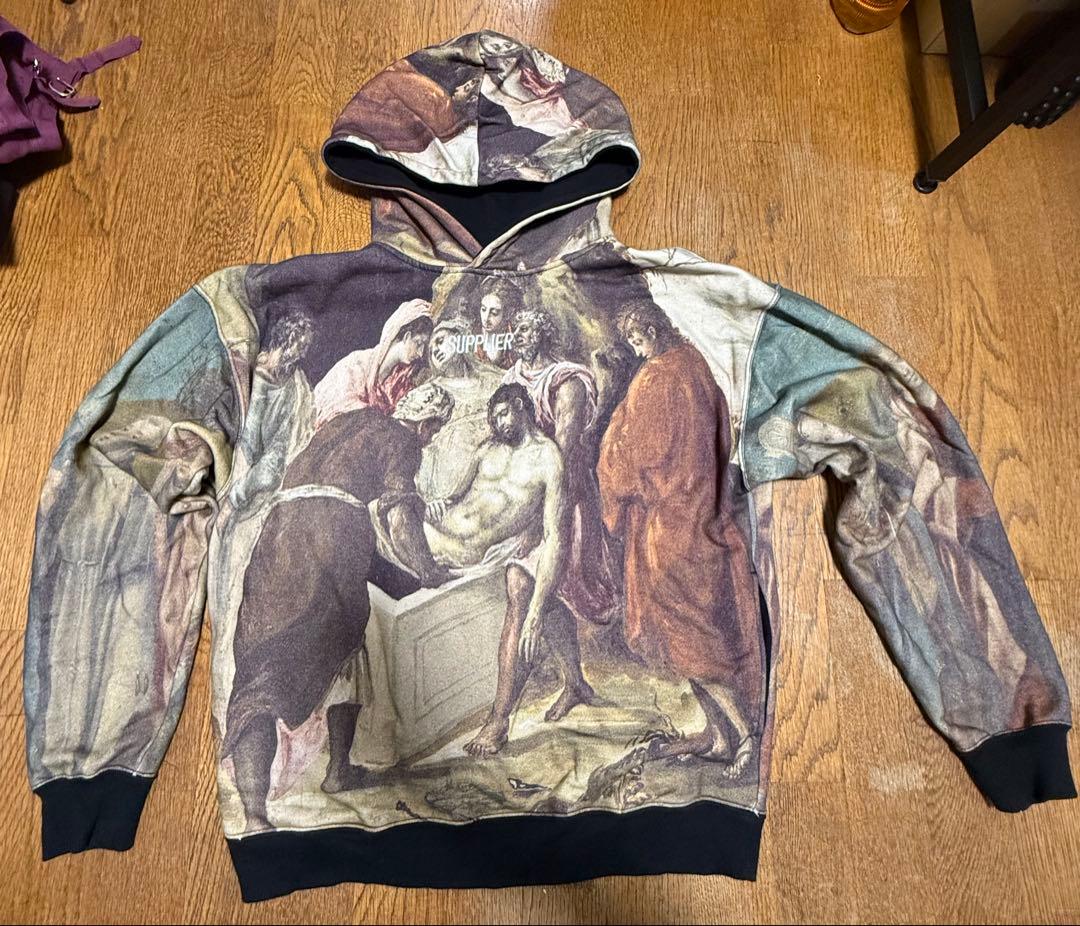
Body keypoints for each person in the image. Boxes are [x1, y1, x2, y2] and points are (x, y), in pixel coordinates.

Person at [222, 382, 454, 830]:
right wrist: (428, 571)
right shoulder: (401, 439)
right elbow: (400, 518)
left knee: (259, 677)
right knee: (347, 653)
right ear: (426, 423)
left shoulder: (348, 423)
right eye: (434, 430)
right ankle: (338, 769)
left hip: (275, 545)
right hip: (328, 546)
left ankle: (255, 814)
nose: (429, 439)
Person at [597, 301, 762, 777]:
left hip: (668, 529)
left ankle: (744, 736)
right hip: (702, 513)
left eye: (637, 340)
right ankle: (718, 735)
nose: (636, 350)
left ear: (650, 330)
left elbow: (634, 453)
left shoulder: (656, 378)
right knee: (689, 635)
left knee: (688, 638)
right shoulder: (696, 364)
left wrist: (612, 453)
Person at [422, 384, 596, 756]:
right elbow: (454, 496)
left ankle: (499, 720)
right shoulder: (487, 449)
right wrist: (438, 504)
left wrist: (535, 613)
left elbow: (555, 535)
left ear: (520, 406)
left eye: (503, 415)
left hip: (490, 550)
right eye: (494, 418)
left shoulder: (548, 458)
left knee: (523, 591)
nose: (498, 424)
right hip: (440, 539)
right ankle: (576, 683)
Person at [501, 308, 620, 625]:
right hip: (521, 489)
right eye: (515, 330)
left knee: (570, 579)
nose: (517, 336)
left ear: (542, 334)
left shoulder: (567, 380)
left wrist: (534, 516)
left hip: (566, 488)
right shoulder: (510, 380)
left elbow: (563, 452)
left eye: (525, 329)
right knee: (519, 584)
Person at [414, 316, 504, 498]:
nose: (435, 350)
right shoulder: (430, 391)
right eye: (431, 351)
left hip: (500, 461)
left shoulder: (494, 378)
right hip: (453, 473)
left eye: (440, 341)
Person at [312, 297, 433, 427]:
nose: (420, 353)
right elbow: (337, 407)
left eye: (423, 347)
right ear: (407, 336)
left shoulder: (401, 382)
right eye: (418, 343)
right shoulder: (358, 364)